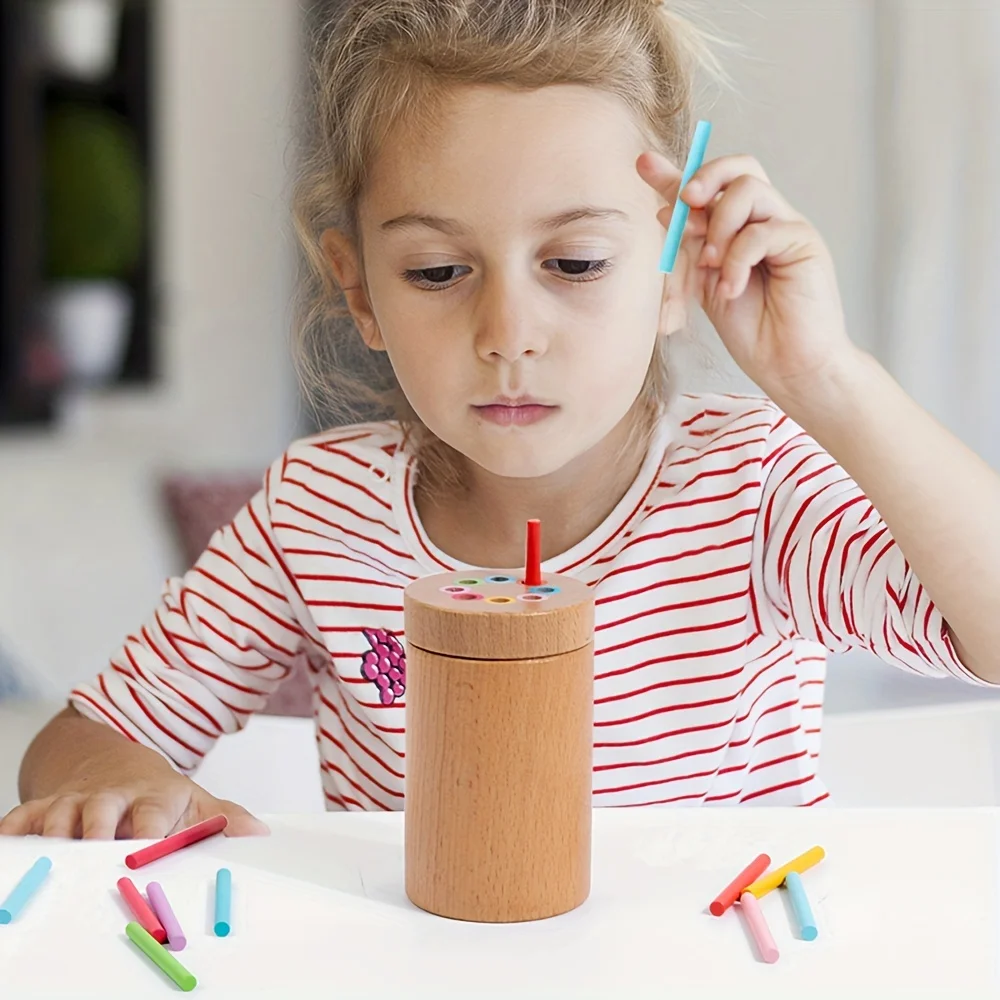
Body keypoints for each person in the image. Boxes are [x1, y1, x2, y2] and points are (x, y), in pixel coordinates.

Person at [5, 0, 999, 839]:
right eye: (438, 271)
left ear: (671, 273)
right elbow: (79, 743)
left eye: (573, 264)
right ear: (360, 293)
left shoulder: (753, 487)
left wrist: (829, 377)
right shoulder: (315, 514)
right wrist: (132, 793)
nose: (507, 332)